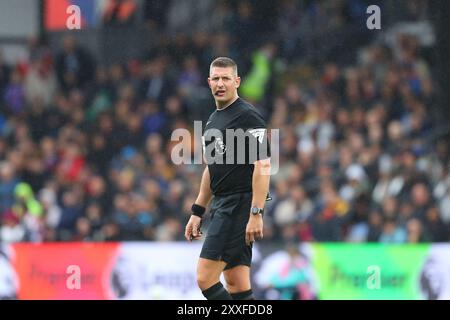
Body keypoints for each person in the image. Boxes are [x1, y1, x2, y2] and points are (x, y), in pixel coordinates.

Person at [184, 57, 271, 300]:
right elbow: (212, 169)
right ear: (209, 82)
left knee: (205, 277)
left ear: (237, 82)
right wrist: (197, 211)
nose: (220, 83)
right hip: (224, 204)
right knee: (236, 284)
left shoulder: (248, 116)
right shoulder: (213, 119)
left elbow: (263, 165)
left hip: (239, 206)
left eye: (226, 78)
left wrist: (256, 213)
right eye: (216, 78)